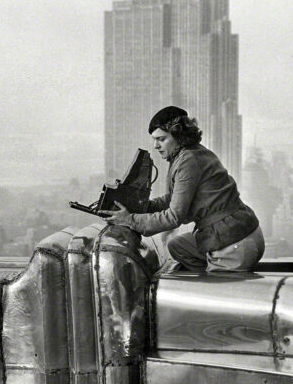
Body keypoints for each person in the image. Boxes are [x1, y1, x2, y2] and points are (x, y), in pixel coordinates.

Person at [100, 106, 265, 273]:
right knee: (177, 246)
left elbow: (173, 217)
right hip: (242, 232)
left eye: (161, 139)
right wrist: (144, 207)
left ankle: (213, 273)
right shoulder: (192, 154)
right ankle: (208, 271)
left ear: (179, 136)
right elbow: (173, 198)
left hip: (234, 242)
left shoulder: (188, 160)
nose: (155, 146)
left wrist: (130, 220)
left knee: (212, 292)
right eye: (154, 139)